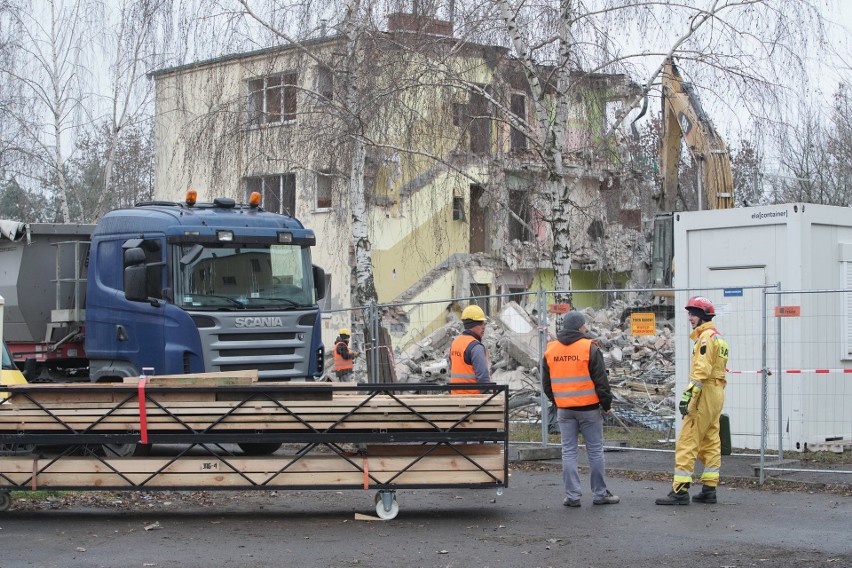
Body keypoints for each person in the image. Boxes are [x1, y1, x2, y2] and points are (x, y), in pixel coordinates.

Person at [656, 296, 729, 505]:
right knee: (711, 441)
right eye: (689, 314)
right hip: (716, 393)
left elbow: (700, 372)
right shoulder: (718, 338)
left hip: (704, 394)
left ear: (703, 316)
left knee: (688, 440)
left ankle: (679, 491)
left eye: (693, 314)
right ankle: (709, 489)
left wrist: (687, 396)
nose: (690, 318)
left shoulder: (705, 338)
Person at [542, 310, 619, 507]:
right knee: (594, 451)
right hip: (589, 409)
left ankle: (572, 496)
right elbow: (601, 381)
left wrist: (558, 400)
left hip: (565, 410)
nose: (585, 328)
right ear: (579, 327)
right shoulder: (589, 347)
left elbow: (546, 384)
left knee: (568, 452)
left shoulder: (551, 350)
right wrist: (606, 405)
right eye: (584, 325)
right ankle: (600, 494)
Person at [448, 305, 491, 394]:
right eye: (481, 323)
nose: (484, 327)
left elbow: (452, 367)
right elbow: (483, 376)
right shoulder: (476, 347)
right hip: (473, 400)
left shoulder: (455, 342)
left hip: (456, 397)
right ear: (474, 325)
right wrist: (488, 397)